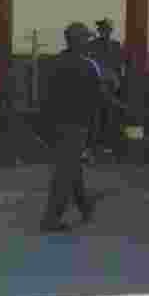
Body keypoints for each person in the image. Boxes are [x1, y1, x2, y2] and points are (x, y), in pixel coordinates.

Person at [39, 22, 114, 233]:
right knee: (65, 172)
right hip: (77, 125)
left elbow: (45, 96)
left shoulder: (54, 63)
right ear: (79, 41)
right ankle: (51, 219)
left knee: (72, 167)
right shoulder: (89, 66)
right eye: (86, 39)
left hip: (56, 124)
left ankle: (85, 207)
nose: (88, 42)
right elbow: (99, 98)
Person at [87, 18, 126, 155]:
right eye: (101, 29)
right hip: (99, 83)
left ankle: (104, 143)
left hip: (109, 84)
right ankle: (97, 143)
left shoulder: (114, 45)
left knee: (107, 114)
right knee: (98, 114)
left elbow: (119, 66)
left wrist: (118, 82)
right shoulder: (94, 45)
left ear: (109, 30)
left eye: (105, 29)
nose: (103, 31)